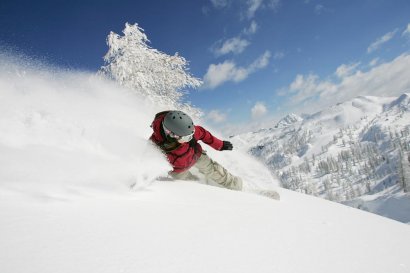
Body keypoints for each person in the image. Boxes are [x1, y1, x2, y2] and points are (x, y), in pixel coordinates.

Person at [149, 110, 243, 191]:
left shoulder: (187, 130)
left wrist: (220, 145)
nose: (189, 139)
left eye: (190, 136)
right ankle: (203, 188)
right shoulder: (154, 144)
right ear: (170, 134)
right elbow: (147, 161)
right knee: (190, 184)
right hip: (178, 171)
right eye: (185, 138)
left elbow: (204, 134)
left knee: (214, 171)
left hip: (196, 155)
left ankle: (235, 186)